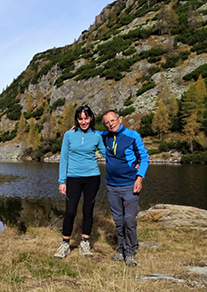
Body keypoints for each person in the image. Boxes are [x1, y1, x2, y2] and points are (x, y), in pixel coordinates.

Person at [54, 105, 106, 259]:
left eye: (86, 118)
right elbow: (63, 159)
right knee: (70, 211)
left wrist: (127, 162)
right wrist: (62, 181)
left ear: (91, 118)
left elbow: (107, 154)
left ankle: (85, 243)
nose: (84, 122)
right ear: (77, 120)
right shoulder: (69, 135)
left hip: (92, 177)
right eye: (80, 119)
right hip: (73, 178)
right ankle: (65, 244)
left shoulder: (97, 136)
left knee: (88, 211)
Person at [99, 110, 149, 267]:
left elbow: (145, 158)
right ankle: (122, 249)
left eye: (112, 120)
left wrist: (139, 178)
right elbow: (90, 132)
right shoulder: (105, 136)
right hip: (112, 186)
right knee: (119, 221)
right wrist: (77, 128)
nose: (110, 124)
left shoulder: (132, 136)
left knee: (129, 220)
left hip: (129, 185)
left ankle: (131, 252)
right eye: (107, 122)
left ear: (120, 119)